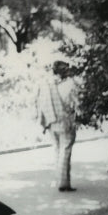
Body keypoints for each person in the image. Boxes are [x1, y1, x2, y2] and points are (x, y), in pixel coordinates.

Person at [36, 60, 80, 192]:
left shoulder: (45, 84)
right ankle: (64, 183)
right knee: (65, 153)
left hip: (51, 122)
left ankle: (61, 180)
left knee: (57, 151)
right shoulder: (69, 85)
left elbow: (40, 103)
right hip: (65, 122)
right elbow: (76, 104)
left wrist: (44, 122)